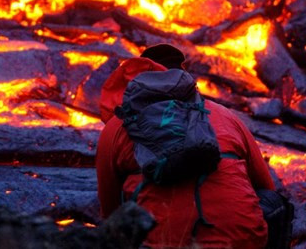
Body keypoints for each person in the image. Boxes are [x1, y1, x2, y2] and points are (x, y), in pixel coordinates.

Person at [96, 44, 275, 248]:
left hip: (160, 243)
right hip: (240, 240)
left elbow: (109, 210)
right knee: (274, 204)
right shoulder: (223, 115)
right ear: (185, 79)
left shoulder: (116, 127)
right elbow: (267, 188)